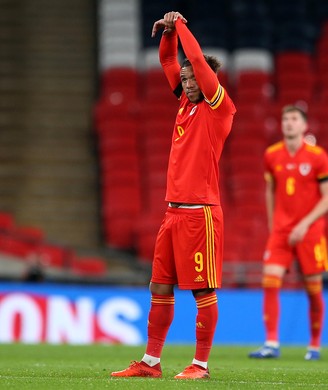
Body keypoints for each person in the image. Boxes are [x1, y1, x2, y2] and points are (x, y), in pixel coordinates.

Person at [111, 11, 236, 380]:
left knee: (201, 292)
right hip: (173, 213)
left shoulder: (218, 107)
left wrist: (180, 24)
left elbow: (194, 59)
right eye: (183, 79)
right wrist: (167, 34)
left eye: (191, 77)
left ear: (207, 79)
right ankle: (150, 363)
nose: (186, 81)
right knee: (159, 286)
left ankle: (200, 365)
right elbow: (169, 59)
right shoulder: (185, 103)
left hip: (201, 214)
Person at [249, 105, 328, 361]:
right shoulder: (271, 155)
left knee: (313, 290)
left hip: (310, 231)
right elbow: (269, 191)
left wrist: (304, 224)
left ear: (304, 126)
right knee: (269, 280)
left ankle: (315, 345)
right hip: (281, 231)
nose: (288, 123)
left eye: (294, 119)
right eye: (285, 118)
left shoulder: (319, 156)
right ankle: (271, 342)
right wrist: (272, 223)